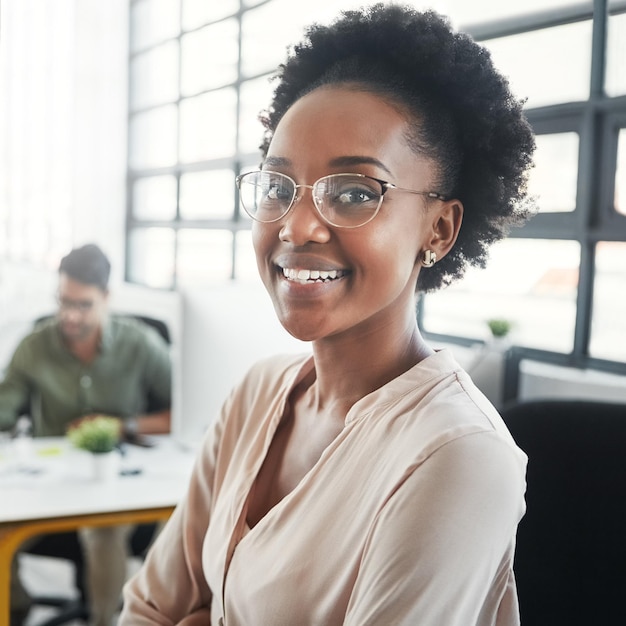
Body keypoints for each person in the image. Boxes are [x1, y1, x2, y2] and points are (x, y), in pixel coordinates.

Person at [121, 4, 535, 625]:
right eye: (279, 186)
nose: (297, 224)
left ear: (440, 228)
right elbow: (149, 609)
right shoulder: (258, 394)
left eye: (354, 193)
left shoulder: (455, 455)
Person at [0, 243, 172, 626]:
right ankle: (14, 609)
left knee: (104, 530)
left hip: (114, 483)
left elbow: (183, 412)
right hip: (47, 488)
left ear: (106, 297)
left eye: (82, 304)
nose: (69, 315)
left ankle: (103, 620)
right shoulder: (35, 345)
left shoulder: (140, 343)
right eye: (63, 302)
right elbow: (3, 411)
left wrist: (123, 426)